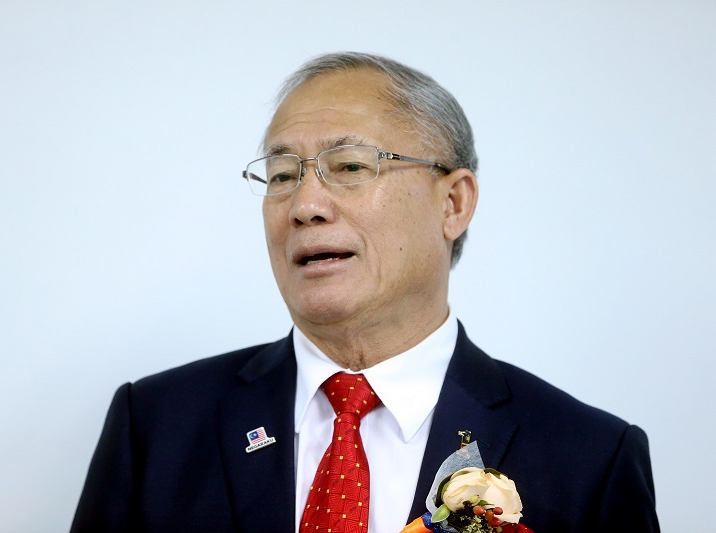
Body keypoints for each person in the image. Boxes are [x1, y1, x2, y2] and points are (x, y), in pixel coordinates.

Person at [71, 52, 659, 532]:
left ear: (453, 203)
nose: (304, 206)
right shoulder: (154, 426)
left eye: (349, 166)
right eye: (281, 176)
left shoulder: (589, 458)